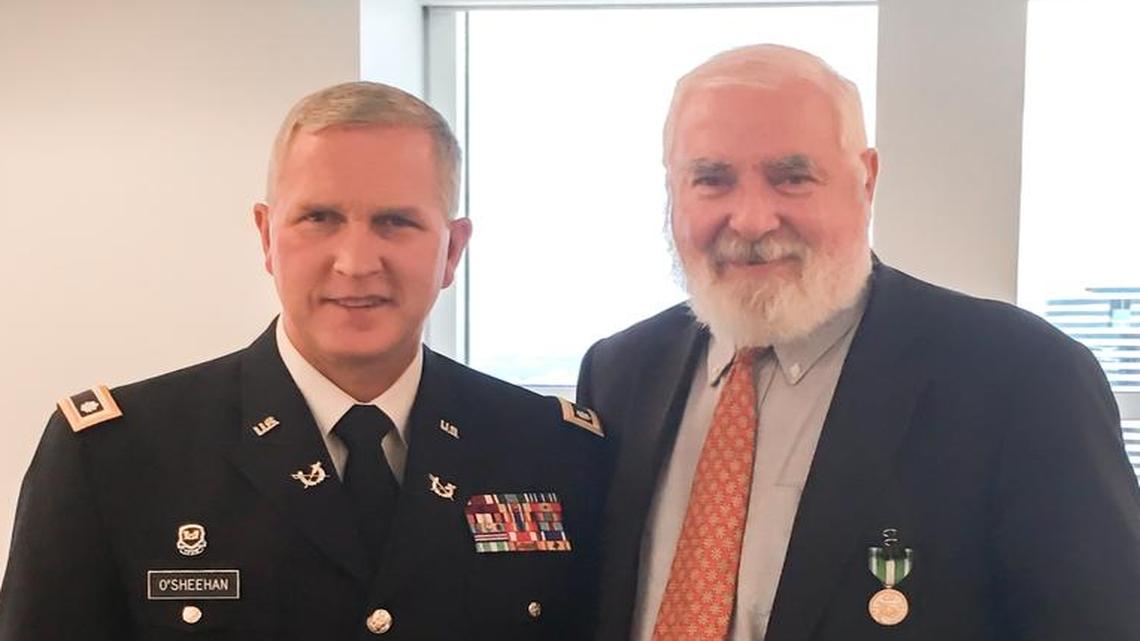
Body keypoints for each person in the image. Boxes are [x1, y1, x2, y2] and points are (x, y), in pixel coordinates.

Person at [0, 81, 607, 641]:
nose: (355, 262)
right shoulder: (115, 456)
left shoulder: (550, 452)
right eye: (320, 219)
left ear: (452, 251)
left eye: (396, 222)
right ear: (267, 236)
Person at [577, 44, 1140, 641]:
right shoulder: (620, 372)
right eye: (712, 180)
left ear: (866, 180)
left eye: (792, 178)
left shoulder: (1024, 378)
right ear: (673, 190)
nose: (751, 220)